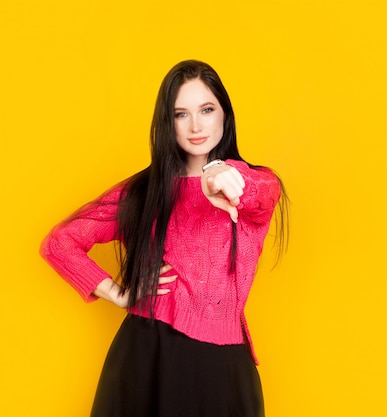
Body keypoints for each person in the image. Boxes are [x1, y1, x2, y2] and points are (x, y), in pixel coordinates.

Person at [40, 59, 288, 417]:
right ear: (166, 122)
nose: (197, 126)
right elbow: (58, 243)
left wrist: (220, 173)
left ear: (224, 114)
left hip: (221, 363)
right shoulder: (142, 192)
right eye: (181, 114)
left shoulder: (253, 184)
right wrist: (119, 294)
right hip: (145, 354)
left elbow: (259, 192)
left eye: (206, 109)